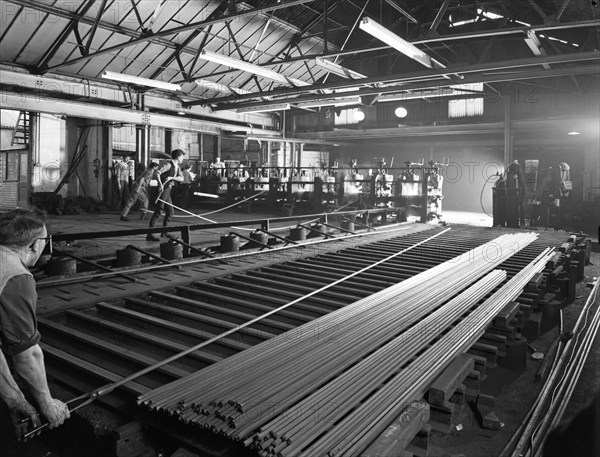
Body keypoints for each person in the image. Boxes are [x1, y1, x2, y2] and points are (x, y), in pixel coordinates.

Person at [0, 209, 70, 445]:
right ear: (34, 245)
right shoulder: (15, 276)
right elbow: (27, 354)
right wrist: (47, 403)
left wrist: (15, 399)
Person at [146, 149, 185, 241]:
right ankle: (150, 234)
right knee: (159, 211)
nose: (183, 159)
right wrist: (160, 184)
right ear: (179, 157)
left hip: (168, 190)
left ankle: (165, 232)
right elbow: (157, 173)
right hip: (163, 190)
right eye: (182, 156)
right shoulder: (168, 165)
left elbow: (181, 178)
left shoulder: (177, 167)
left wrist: (172, 177)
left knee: (170, 211)